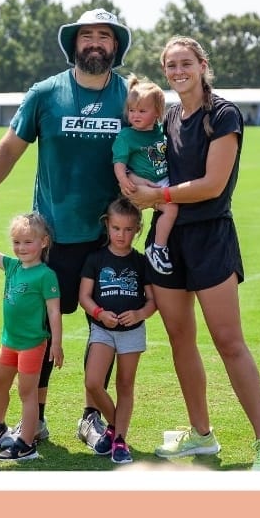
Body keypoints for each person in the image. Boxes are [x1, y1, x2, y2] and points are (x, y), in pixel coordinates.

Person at [0, 8, 132, 448]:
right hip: (53, 238)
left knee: (104, 330)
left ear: (115, 47)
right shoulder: (45, 94)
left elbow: (148, 151)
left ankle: (92, 417)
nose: (95, 44)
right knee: (40, 329)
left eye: (104, 36)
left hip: (109, 241)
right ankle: (38, 416)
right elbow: (9, 149)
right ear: (74, 45)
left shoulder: (129, 96)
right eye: (86, 36)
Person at [123, 35, 260, 471]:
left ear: (202, 64)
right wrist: (134, 189)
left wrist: (156, 195)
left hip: (211, 237)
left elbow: (213, 184)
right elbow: (139, 154)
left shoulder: (223, 114)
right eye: (170, 65)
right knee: (180, 339)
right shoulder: (168, 116)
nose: (177, 71)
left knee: (229, 342)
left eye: (185, 63)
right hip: (168, 239)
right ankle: (201, 435)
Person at [0, 211, 64, 462]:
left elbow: (54, 311)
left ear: (43, 242)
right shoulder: (12, 267)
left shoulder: (45, 275)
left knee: (26, 392)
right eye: (17, 242)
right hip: (9, 342)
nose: (21, 248)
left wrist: (57, 344)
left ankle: (27, 443)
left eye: (28, 242)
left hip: (32, 345)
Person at [78, 197, 156, 464]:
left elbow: (152, 301)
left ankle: (119, 439)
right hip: (103, 330)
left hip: (132, 333)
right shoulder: (96, 259)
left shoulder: (140, 262)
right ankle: (115, 426)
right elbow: (84, 297)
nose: (121, 235)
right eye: (116, 228)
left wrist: (139, 314)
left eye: (128, 229)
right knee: (93, 382)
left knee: (125, 385)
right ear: (107, 226)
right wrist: (99, 313)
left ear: (137, 230)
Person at [113, 75, 178, 275]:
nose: (135, 115)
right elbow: (119, 163)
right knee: (171, 208)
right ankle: (157, 247)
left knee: (178, 203)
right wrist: (124, 180)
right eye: (132, 111)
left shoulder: (160, 131)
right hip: (140, 186)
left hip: (161, 180)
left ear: (157, 112)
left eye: (142, 111)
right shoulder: (127, 135)